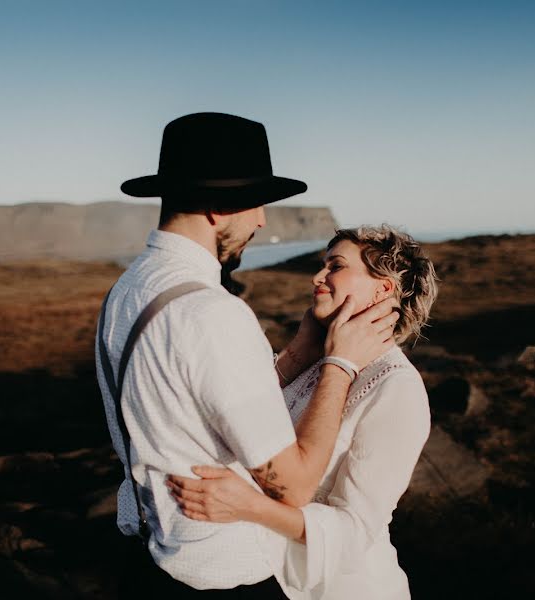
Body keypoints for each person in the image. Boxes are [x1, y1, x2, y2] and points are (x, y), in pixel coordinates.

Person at [96, 112, 400, 598]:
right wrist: (339, 364)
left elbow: (203, 399)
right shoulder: (212, 314)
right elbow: (294, 487)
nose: (261, 219)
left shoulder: (126, 290)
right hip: (219, 575)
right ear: (219, 207)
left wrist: (302, 347)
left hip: (148, 557)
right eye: (257, 204)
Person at [168, 225, 438, 600]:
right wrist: (301, 348)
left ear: (383, 289)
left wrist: (250, 507)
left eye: (336, 266)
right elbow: (245, 420)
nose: (318, 277)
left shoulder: (397, 389)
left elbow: (354, 531)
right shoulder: (319, 359)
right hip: (261, 575)